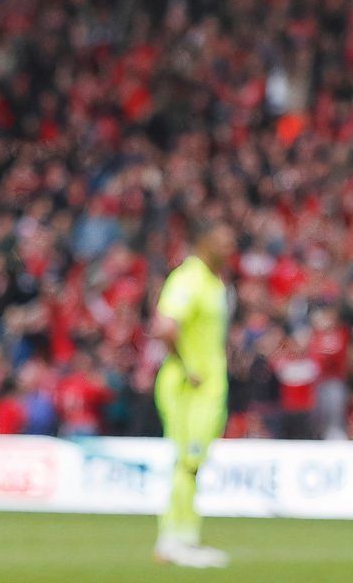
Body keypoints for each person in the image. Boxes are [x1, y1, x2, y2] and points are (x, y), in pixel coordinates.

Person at [151, 219, 236, 569]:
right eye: (223, 241)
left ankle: (181, 538)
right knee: (186, 464)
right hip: (190, 389)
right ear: (205, 243)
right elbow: (165, 326)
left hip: (207, 389)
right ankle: (176, 540)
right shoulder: (189, 278)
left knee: (191, 466)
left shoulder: (216, 282)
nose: (230, 248)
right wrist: (188, 367)